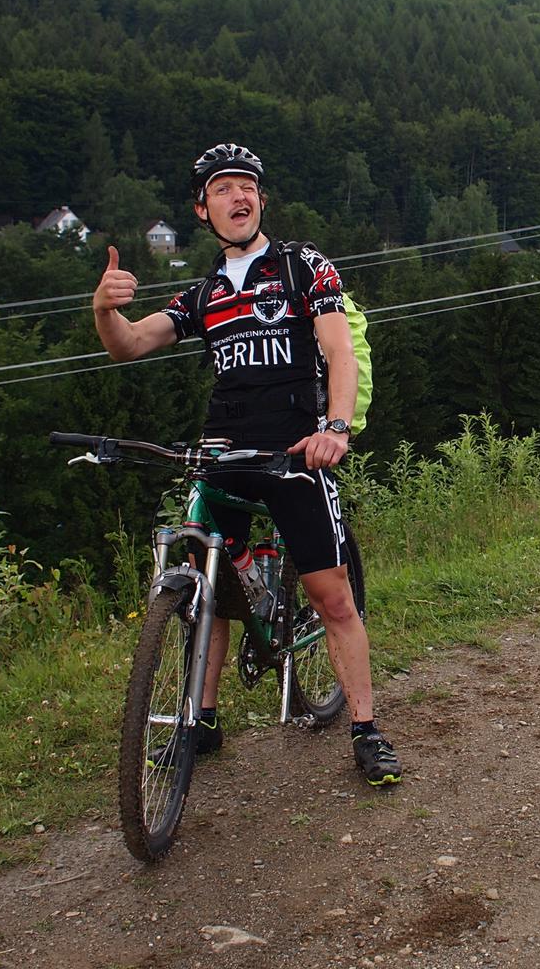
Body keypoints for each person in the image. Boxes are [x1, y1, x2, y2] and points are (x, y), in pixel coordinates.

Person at [91, 142, 402, 788]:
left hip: (295, 449)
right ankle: (200, 721)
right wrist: (104, 310)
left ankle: (366, 729)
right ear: (202, 210)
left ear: (261, 199)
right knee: (206, 590)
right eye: (223, 188)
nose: (239, 196)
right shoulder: (203, 293)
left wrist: (335, 427)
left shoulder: (302, 267)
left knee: (332, 596)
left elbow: (339, 353)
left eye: (247, 186)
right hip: (223, 449)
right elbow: (131, 343)